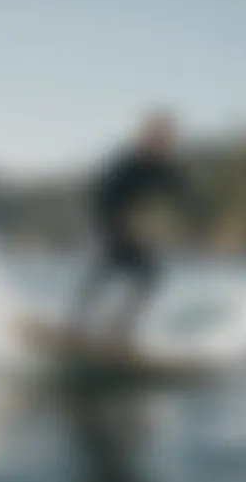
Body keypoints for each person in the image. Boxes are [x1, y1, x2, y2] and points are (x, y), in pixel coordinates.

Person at [70, 109, 190, 340]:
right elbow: (101, 193)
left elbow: (181, 192)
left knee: (147, 274)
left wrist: (188, 218)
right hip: (107, 220)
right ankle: (80, 325)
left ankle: (118, 330)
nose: (166, 143)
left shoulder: (161, 167)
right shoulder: (128, 162)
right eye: (160, 136)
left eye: (169, 138)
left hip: (125, 227)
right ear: (147, 136)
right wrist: (118, 222)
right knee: (110, 267)